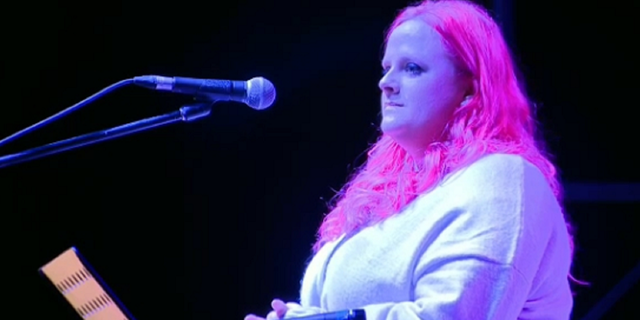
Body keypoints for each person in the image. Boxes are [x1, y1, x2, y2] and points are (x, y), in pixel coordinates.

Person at [245, 0, 578, 319]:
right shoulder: (387, 201)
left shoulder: (503, 178)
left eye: (412, 68)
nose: (386, 83)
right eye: (387, 68)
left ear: (470, 89)